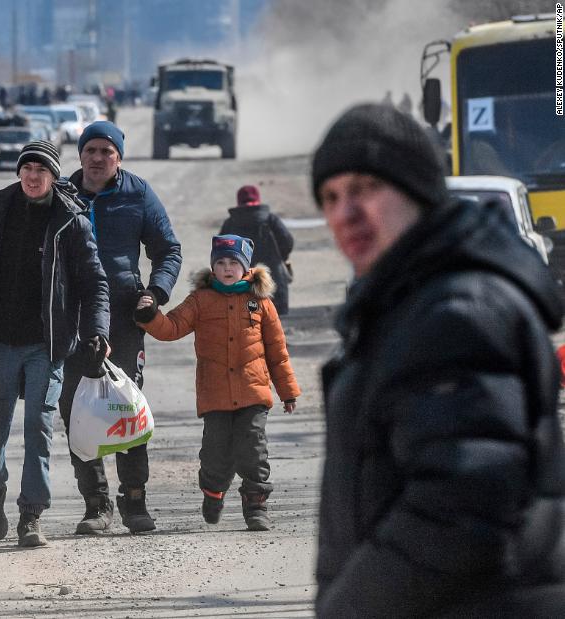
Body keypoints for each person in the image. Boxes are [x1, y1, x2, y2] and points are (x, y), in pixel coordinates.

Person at [312, 103, 565, 616]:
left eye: (364, 188)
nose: (345, 213)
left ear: (418, 191)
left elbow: (464, 503)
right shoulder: (411, 300)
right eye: (331, 197)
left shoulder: (455, 310)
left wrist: (351, 607)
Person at [0, 140, 110, 548]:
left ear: (54, 176)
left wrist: (96, 331)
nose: (33, 177)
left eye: (42, 170)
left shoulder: (71, 220)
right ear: (19, 172)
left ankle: (31, 515)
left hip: (45, 345)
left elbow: (94, 282)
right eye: (27, 169)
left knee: (39, 427)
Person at [61, 120, 182, 534]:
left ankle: (134, 501)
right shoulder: (63, 195)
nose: (97, 159)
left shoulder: (138, 194)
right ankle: (95, 503)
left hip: (123, 319)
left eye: (106, 152)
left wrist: (155, 292)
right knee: (74, 408)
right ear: (80, 155)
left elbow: (168, 249)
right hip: (72, 319)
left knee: (124, 406)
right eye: (90, 151)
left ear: (118, 158)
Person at [134, 234, 300, 531]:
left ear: (245, 268)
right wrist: (149, 316)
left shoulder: (260, 302)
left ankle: (256, 505)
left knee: (253, 448)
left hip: (253, 392)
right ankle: (213, 493)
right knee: (215, 453)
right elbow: (171, 328)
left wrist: (288, 392)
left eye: (233, 263)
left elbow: (278, 352)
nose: (226, 268)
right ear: (212, 267)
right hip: (215, 394)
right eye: (220, 262)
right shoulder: (201, 300)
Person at [218, 185, 294, 314]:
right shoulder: (270, 219)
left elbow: (219, 252)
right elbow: (287, 241)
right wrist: (280, 257)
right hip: (273, 285)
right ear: (257, 199)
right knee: (275, 327)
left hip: (240, 288)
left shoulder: (230, 223)